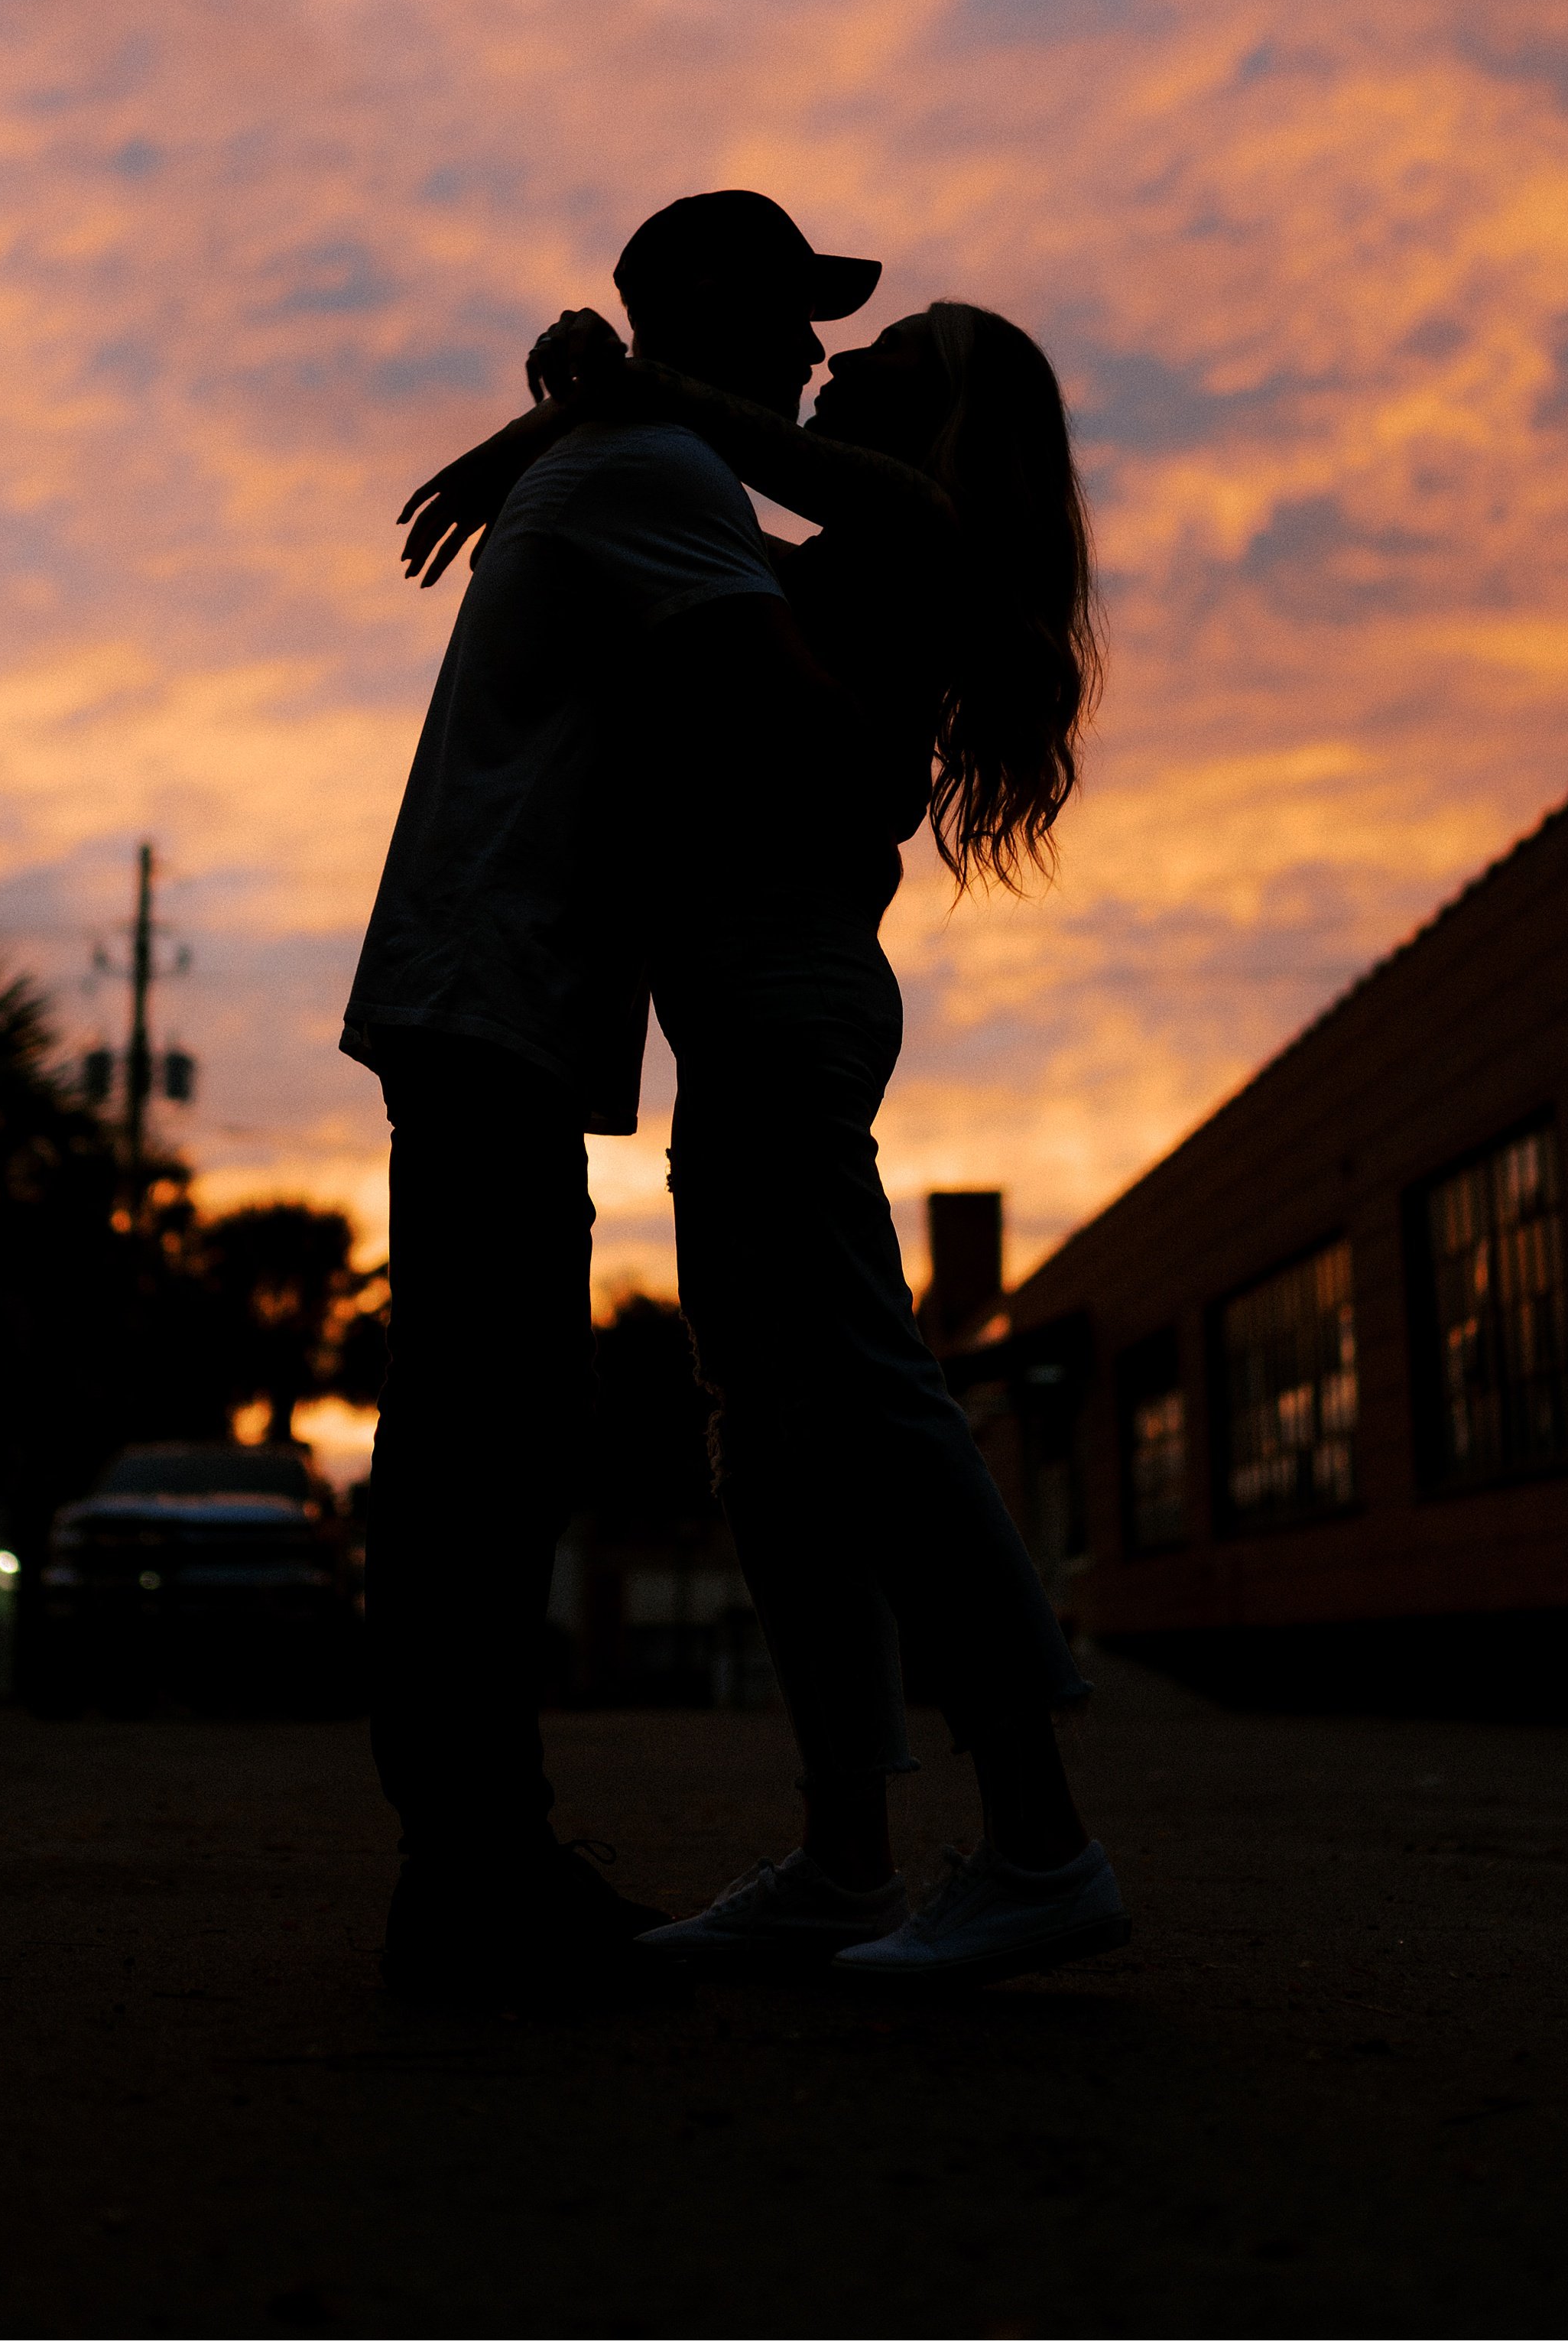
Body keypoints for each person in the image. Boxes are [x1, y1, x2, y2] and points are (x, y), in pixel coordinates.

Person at [402, 250, 1126, 1986]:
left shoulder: (907, 531)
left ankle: (1038, 1839)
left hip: (787, 992)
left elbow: (753, 470)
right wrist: (563, 424)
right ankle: (844, 1856)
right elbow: (694, 517)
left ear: (958, 422)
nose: (852, 354)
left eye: (901, 348)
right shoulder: (828, 553)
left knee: (866, 1395)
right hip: (736, 1005)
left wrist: (607, 400)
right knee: (774, 1429)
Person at [343, 190, 884, 2002]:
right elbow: (805, 720)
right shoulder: (657, 473)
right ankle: (467, 1865)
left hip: (497, 996)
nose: (816, 354)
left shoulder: (630, 452)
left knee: (493, 1422)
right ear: (712, 309)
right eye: (794, 315)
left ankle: (473, 1853)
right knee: (481, 1431)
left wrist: (566, 407)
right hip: (493, 993)